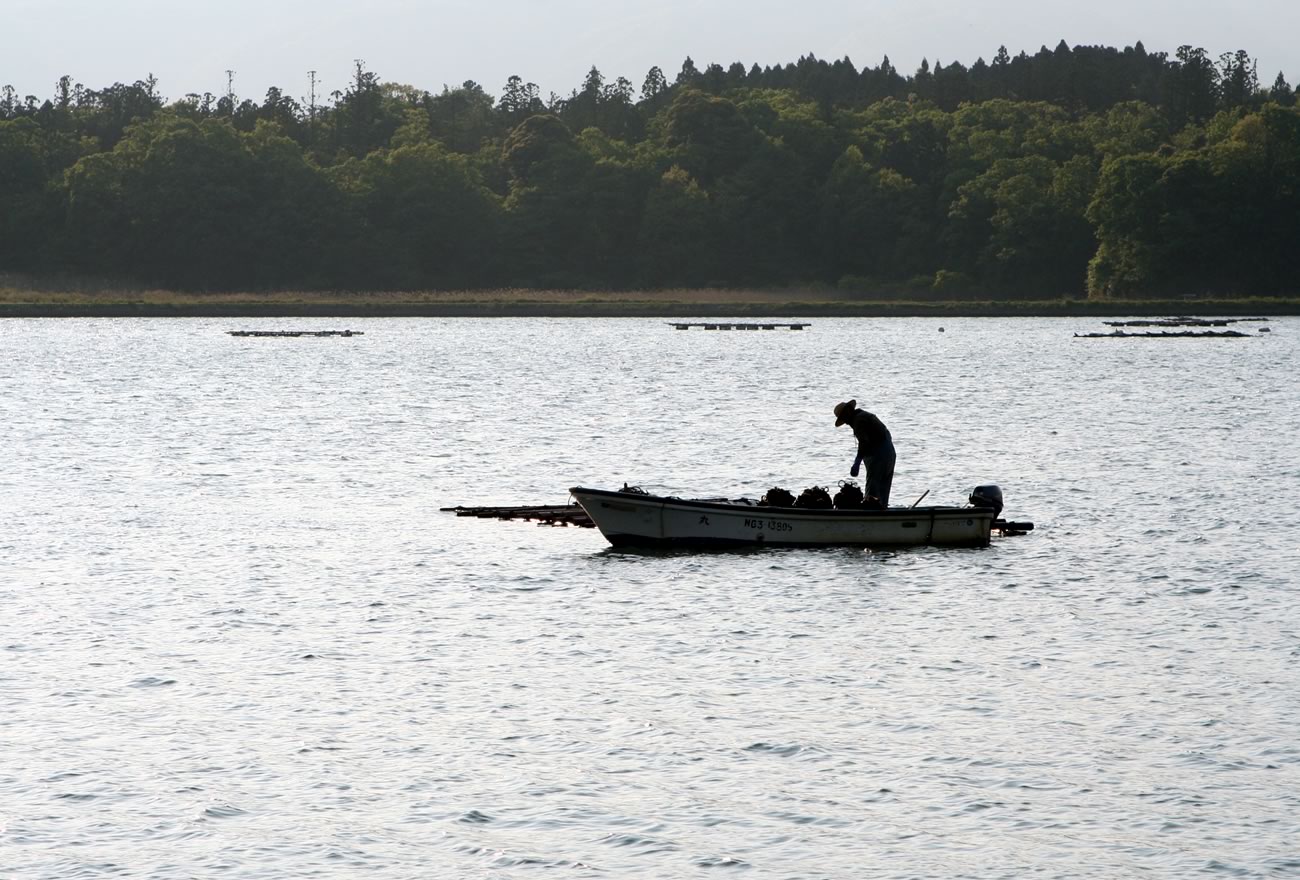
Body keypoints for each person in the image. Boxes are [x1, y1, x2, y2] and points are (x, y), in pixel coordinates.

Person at [833, 399, 896, 508]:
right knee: (883, 490)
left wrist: (857, 462)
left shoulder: (858, 421)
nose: (846, 423)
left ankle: (870, 517)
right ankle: (882, 513)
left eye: (844, 418)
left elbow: (864, 443)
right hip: (890, 453)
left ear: (849, 411)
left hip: (878, 457)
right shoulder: (865, 415)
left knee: (872, 493)